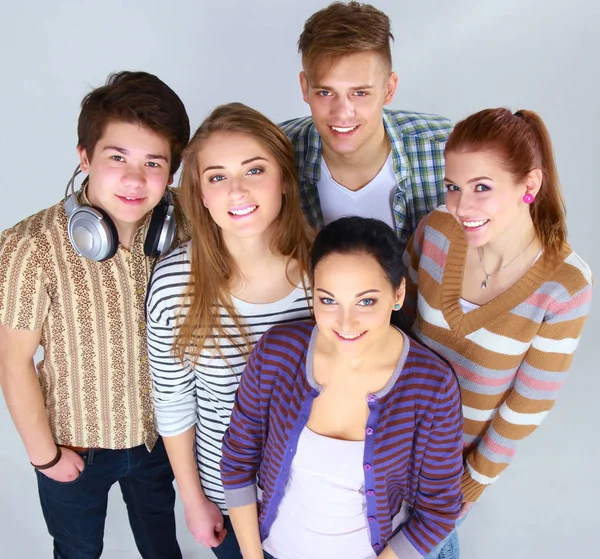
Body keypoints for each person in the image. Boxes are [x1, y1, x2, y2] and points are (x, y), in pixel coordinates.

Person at [0, 71, 190, 558]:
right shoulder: (31, 244)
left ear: (171, 173)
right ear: (84, 157)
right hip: (73, 451)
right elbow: (13, 361)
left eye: (153, 162)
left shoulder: (181, 231)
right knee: (77, 551)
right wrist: (45, 457)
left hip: (157, 444)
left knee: (162, 548)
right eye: (116, 157)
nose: (134, 178)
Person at [402, 108, 593, 556]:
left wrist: (465, 490)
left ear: (530, 186)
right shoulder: (435, 232)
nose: (461, 207)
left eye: (482, 188)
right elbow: (395, 330)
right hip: (380, 443)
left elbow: (525, 406)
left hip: (444, 479)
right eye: (453, 187)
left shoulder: (565, 286)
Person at [221, 216, 465, 559]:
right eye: (328, 300)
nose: (345, 323)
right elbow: (237, 461)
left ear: (398, 294)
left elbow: (438, 513)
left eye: (366, 301)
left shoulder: (431, 386)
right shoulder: (277, 351)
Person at [147, 102, 314, 558]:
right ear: (199, 193)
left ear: (283, 177)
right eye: (217, 176)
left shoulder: (329, 269)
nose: (237, 190)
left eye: (254, 170)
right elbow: (173, 400)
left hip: (321, 503)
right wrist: (194, 498)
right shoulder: (174, 284)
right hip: (228, 498)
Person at [280, 1, 453, 251]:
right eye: (325, 92)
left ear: (389, 89)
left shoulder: (445, 148)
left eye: (360, 93)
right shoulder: (274, 156)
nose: (342, 113)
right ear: (305, 88)